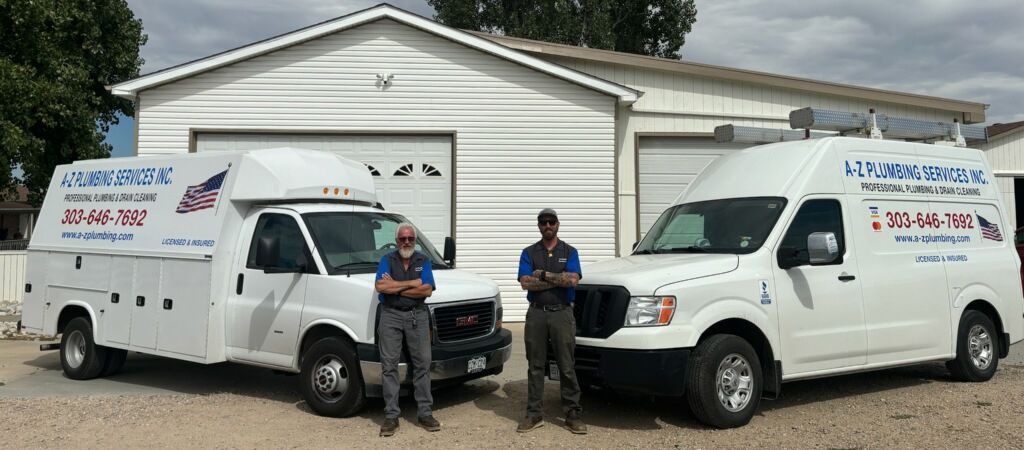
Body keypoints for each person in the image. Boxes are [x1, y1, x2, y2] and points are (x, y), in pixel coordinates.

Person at [516, 208, 586, 434]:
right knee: (535, 365)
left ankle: (572, 413)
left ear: (558, 224)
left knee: (566, 364)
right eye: (543, 222)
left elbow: (573, 280)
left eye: (551, 221)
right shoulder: (528, 252)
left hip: (562, 314)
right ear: (538, 225)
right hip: (536, 313)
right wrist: (559, 279)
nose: (548, 225)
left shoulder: (570, 251)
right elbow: (526, 283)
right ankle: (534, 414)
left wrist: (544, 275)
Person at [374, 223, 440, 437]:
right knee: (389, 366)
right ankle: (391, 416)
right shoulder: (387, 260)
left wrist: (397, 285)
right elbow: (381, 287)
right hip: (390, 315)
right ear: (396, 240)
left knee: (422, 364)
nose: (407, 242)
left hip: (417, 315)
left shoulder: (424, 260)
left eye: (410, 238)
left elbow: (427, 290)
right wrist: (414, 283)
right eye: (402, 238)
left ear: (415, 240)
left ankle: (424, 413)